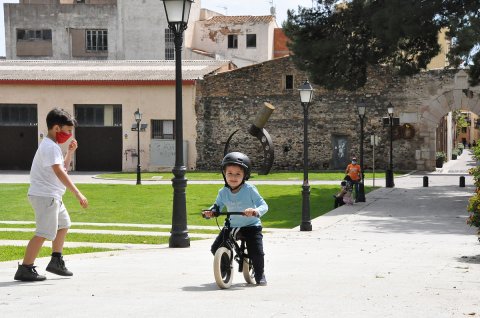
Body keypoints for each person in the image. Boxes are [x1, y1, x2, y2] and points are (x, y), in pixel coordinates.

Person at [14, 108, 88, 282]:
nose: (70, 135)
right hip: (46, 196)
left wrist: (69, 153)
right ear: (56, 128)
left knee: (63, 224)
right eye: (68, 131)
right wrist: (77, 193)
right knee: (43, 232)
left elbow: (63, 169)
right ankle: (25, 268)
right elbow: (60, 173)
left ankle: (56, 260)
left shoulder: (51, 146)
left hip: (52, 196)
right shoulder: (50, 147)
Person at [202, 152, 268, 286]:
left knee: (256, 252)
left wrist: (255, 211)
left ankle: (260, 274)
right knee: (215, 248)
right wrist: (211, 212)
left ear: (245, 175)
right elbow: (217, 206)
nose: (233, 177)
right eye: (229, 173)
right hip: (232, 226)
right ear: (224, 174)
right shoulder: (223, 192)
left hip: (251, 225)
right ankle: (225, 267)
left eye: (238, 174)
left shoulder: (249, 189)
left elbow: (264, 205)